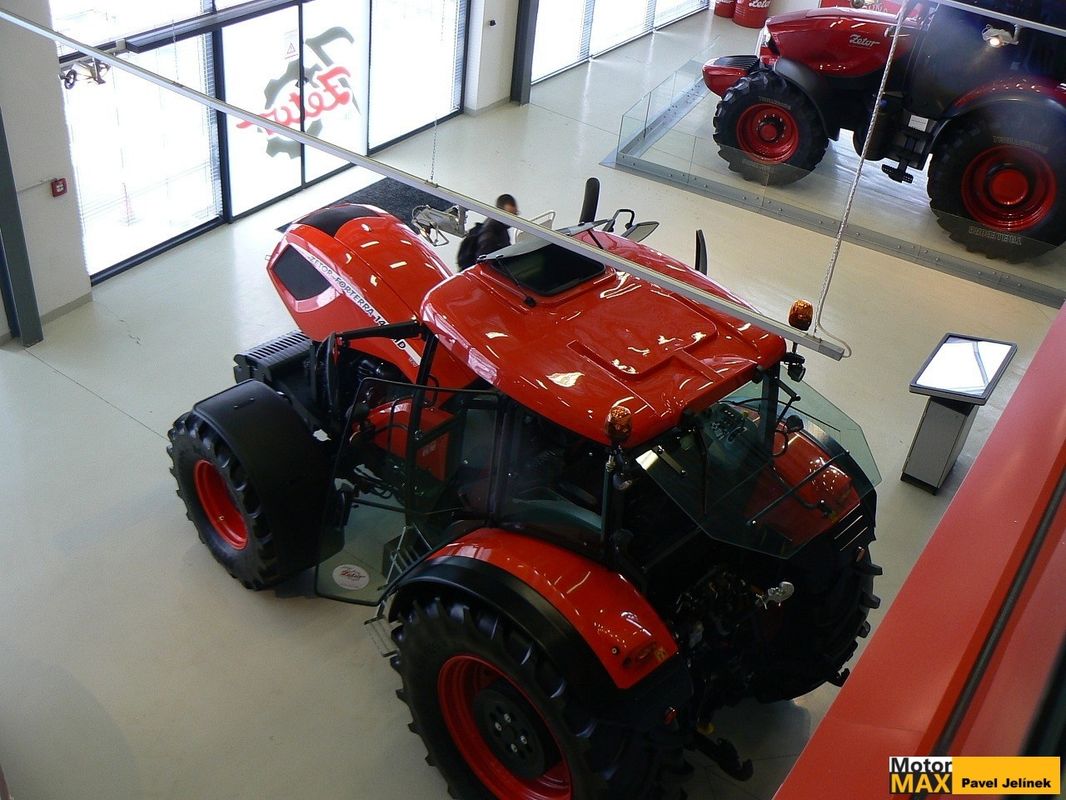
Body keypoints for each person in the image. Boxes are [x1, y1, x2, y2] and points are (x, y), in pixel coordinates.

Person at [457, 193, 519, 270]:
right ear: (500, 212)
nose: (513, 219)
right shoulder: (492, 229)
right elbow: (485, 258)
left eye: (515, 214)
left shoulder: (499, 227)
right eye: (510, 215)